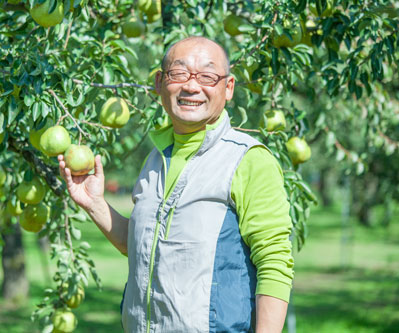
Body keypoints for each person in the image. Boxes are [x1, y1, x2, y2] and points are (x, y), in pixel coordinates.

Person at [59, 36, 294, 333]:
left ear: (228, 87)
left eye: (208, 76)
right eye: (179, 73)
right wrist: (95, 204)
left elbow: (274, 262)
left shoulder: (247, 159)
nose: (192, 86)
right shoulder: (156, 160)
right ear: (159, 82)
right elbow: (144, 247)